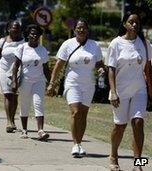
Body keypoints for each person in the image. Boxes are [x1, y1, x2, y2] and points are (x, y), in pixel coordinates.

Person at [46, 18, 104, 157]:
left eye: (84, 27)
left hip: (89, 84)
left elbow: (99, 63)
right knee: (76, 112)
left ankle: (79, 143)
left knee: (83, 115)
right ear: (75, 30)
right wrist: (52, 83)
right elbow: (59, 65)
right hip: (72, 83)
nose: (81, 30)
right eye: (79, 27)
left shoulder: (94, 45)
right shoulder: (68, 44)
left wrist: (101, 69)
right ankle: (75, 144)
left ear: (88, 30)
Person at [106, 12, 152, 171]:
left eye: (137, 22)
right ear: (125, 24)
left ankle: (138, 164)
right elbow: (111, 69)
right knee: (120, 126)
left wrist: (150, 92)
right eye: (131, 22)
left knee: (138, 123)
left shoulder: (145, 44)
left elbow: (148, 69)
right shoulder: (116, 43)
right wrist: (113, 91)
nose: (134, 25)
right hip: (120, 91)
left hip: (139, 90)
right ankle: (113, 156)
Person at [11, 24, 50, 141]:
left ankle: (40, 131)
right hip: (25, 80)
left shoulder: (42, 50)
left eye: (37, 34)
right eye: (32, 33)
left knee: (38, 103)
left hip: (39, 80)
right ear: (28, 35)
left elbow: (46, 68)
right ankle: (24, 130)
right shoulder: (22, 48)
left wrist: (51, 83)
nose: (34, 36)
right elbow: (16, 66)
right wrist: (14, 81)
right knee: (25, 104)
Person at [0, 20, 24, 133]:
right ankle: (9, 122)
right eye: (14, 27)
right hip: (3, 69)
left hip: (17, 70)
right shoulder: (2, 41)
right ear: (9, 29)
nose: (16, 30)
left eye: (18, 28)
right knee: (7, 95)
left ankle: (13, 119)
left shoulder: (23, 42)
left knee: (15, 95)